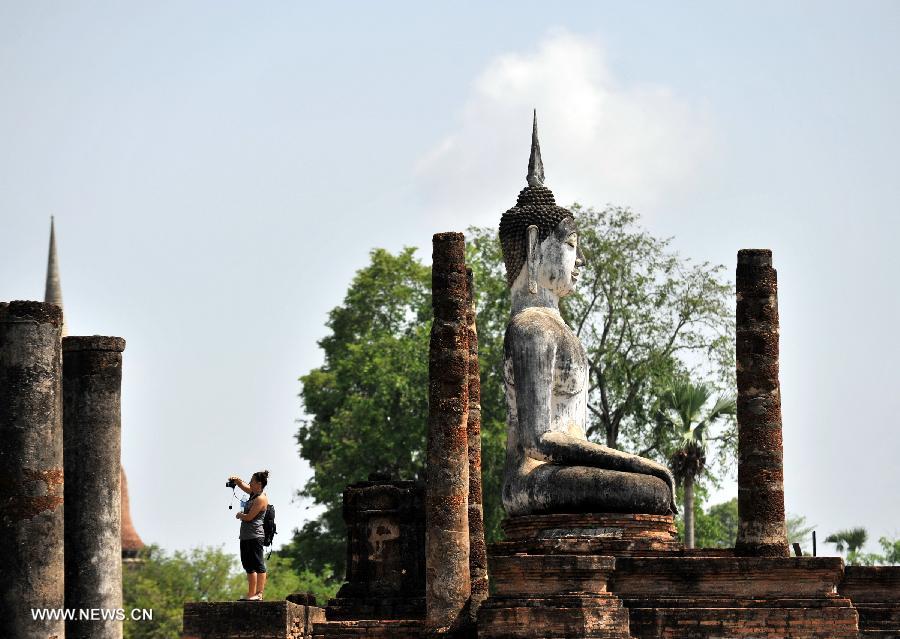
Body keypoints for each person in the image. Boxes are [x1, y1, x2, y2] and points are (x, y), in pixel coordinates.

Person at [498, 115, 677, 517]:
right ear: (534, 246)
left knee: (650, 490)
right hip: (532, 480)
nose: (580, 260)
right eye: (571, 244)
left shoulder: (558, 328)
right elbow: (538, 439)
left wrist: (624, 461)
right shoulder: (530, 330)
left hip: (564, 474)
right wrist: (634, 461)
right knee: (648, 489)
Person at [228, 470, 269, 600]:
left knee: (258, 565)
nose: (250, 483)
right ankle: (251, 595)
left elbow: (250, 517)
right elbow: (243, 486)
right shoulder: (252, 494)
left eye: (252, 481)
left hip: (255, 536)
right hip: (245, 536)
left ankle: (259, 594)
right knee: (248, 566)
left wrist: (240, 515)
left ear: (259, 483)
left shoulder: (261, 498)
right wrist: (237, 480)